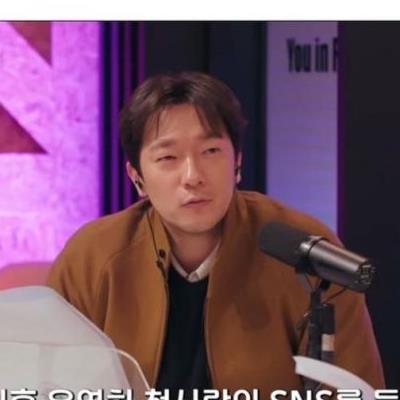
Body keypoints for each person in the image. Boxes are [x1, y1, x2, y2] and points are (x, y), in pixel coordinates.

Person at [47, 71, 384, 396]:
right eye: (168, 157)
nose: (193, 176)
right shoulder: (92, 257)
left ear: (237, 162)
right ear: (137, 178)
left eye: (210, 151)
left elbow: (354, 389)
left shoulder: (305, 252)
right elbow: (49, 382)